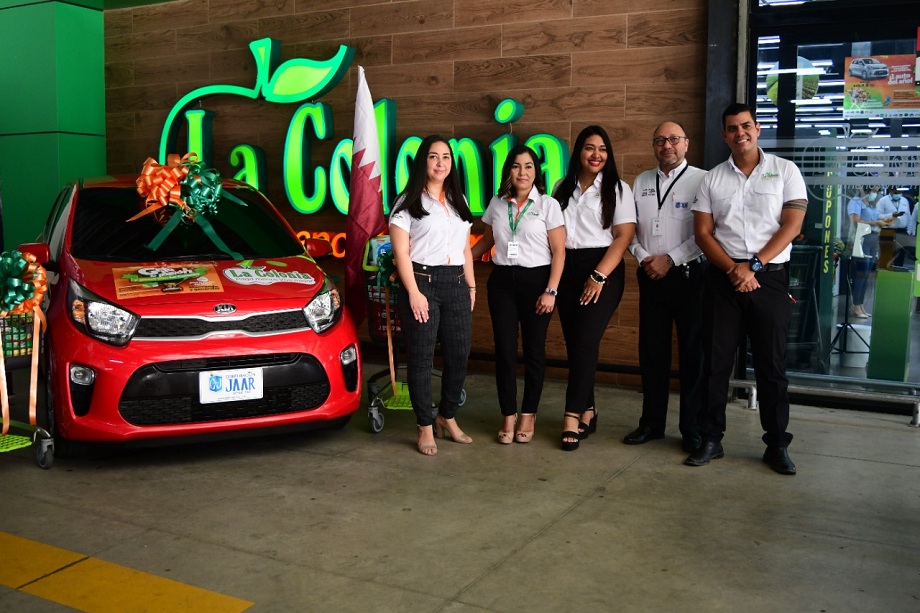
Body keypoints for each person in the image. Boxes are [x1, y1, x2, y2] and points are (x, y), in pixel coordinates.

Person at [686, 102, 807, 475]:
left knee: (771, 366)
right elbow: (702, 233)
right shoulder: (711, 179)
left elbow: (791, 225)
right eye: (732, 128)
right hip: (723, 278)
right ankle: (711, 439)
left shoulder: (784, 171)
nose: (740, 133)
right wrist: (735, 270)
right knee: (715, 364)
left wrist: (753, 266)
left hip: (768, 277)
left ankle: (776, 445)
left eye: (746, 126)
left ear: (757, 129)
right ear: (724, 135)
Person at [471, 145, 566, 444]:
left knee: (534, 351)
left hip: (538, 281)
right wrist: (458, 262)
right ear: (508, 171)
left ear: (536, 171)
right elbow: (486, 240)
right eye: (516, 166)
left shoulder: (548, 205)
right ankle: (508, 415)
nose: (522, 172)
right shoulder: (497, 204)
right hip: (502, 282)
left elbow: (560, 251)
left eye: (528, 166)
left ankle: (528, 414)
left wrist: (551, 290)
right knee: (505, 351)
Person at [623, 121, 708, 453]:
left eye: (673, 139)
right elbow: (630, 229)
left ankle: (692, 429)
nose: (667, 145)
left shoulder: (702, 180)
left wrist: (670, 259)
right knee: (652, 352)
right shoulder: (641, 181)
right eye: (660, 140)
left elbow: (705, 234)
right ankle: (651, 423)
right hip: (650, 275)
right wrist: (645, 258)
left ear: (686, 143)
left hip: (689, 276)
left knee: (692, 354)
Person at [389, 135, 477, 456]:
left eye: (446, 157)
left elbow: (465, 248)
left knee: (459, 353)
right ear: (423, 162)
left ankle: (446, 416)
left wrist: (471, 286)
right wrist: (413, 292)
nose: (440, 163)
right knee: (422, 357)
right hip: (421, 281)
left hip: (455, 283)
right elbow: (401, 253)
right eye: (433, 157)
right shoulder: (407, 202)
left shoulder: (458, 199)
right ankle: (424, 424)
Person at [553, 125, 636, 451]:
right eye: (590, 148)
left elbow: (624, 236)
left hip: (604, 270)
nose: (596, 154)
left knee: (586, 341)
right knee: (576, 344)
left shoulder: (618, 188)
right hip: (566, 269)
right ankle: (589, 409)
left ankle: (571, 416)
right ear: (579, 152)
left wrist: (599, 275)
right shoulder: (562, 186)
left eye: (602, 149)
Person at [847, 185, 891, 318]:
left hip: (873, 239)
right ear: (866, 190)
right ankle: (855, 305)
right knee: (860, 274)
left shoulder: (871, 205)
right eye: (874, 191)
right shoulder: (855, 202)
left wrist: (884, 221)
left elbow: (877, 218)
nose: (875, 193)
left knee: (866, 275)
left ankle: (860, 305)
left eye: (877, 191)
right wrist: (875, 223)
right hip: (862, 239)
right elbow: (856, 220)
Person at [876, 187, 912, 267]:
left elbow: (909, 217)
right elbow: (878, 216)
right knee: (887, 252)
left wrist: (909, 231)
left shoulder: (904, 201)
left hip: (902, 230)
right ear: (891, 191)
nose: (898, 194)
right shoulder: (883, 201)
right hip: (888, 231)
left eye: (899, 192)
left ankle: (898, 270)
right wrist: (891, 215)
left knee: (900, 253)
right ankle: (885, 270)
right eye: (896, 192)